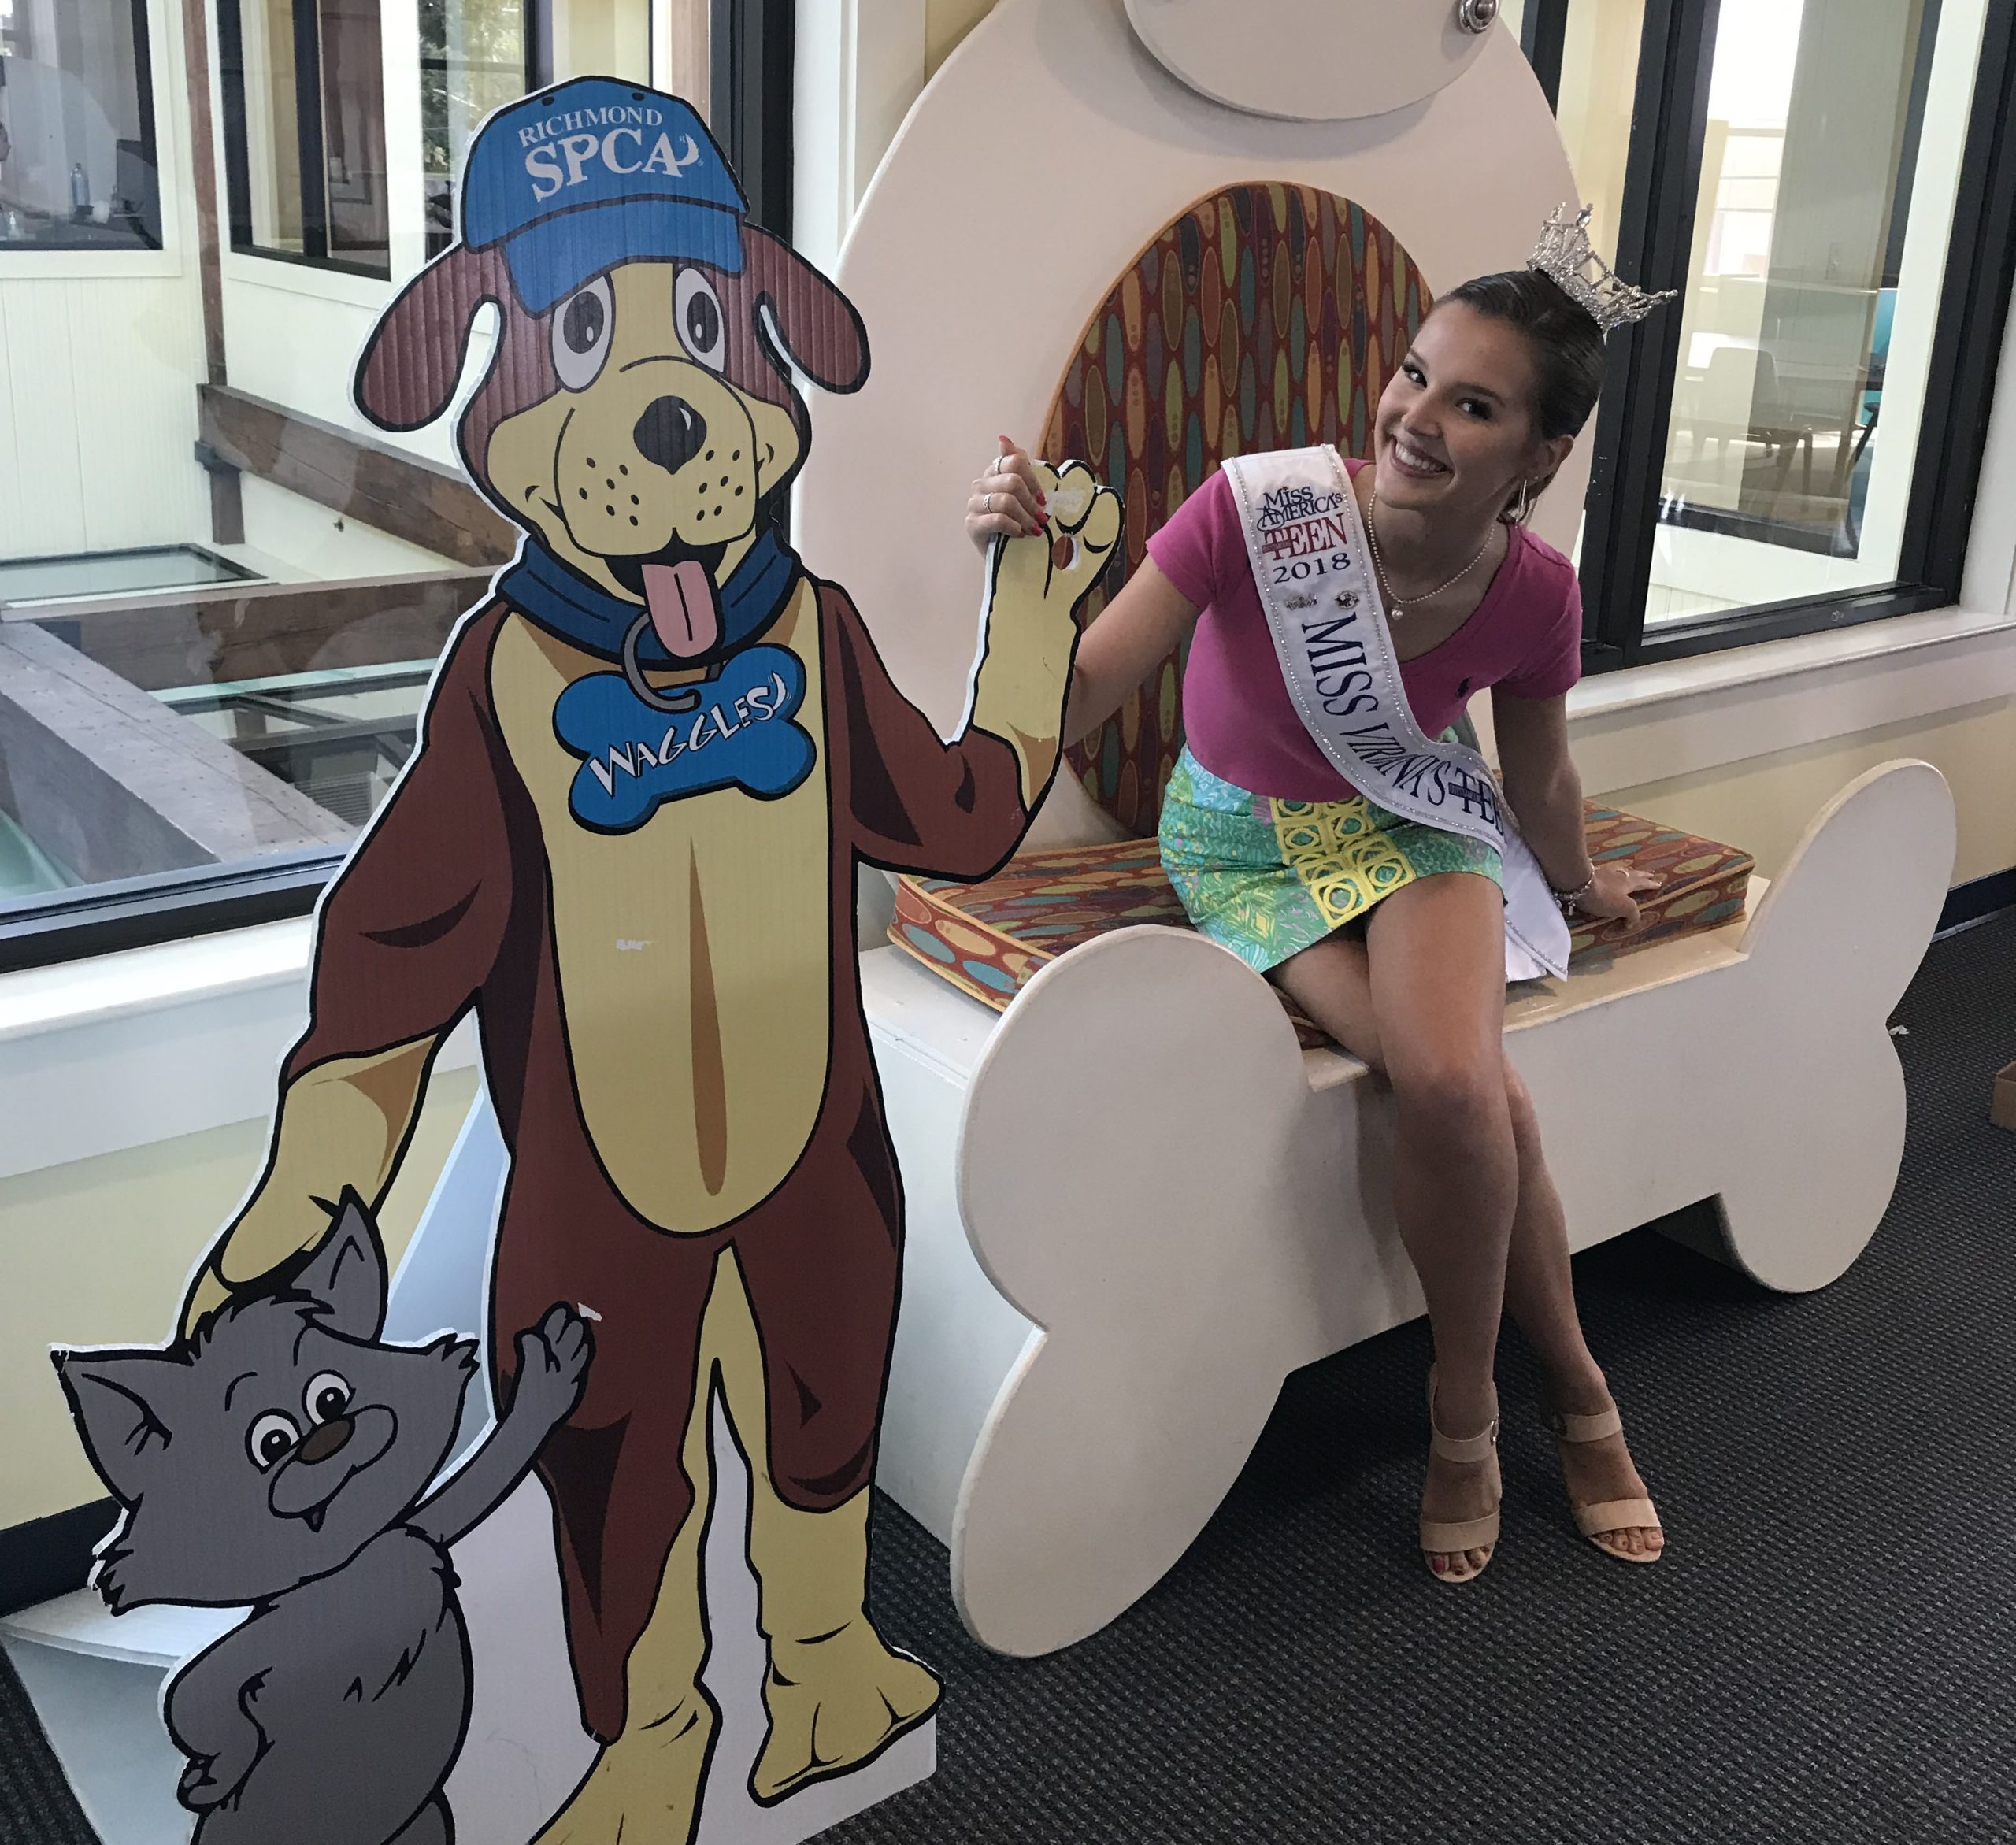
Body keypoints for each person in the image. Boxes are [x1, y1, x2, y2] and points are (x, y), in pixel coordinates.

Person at [967, 245, 1667, 1585]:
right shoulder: (1257, 511)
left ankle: (1465, 1407)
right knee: (1486, 1105)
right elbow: (1072, 704)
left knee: (1459, 1090)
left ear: (1544, 449)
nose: (1416, 415)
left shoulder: (1537, 594)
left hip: (1410, 825)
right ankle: (1571, 1389)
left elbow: (1539, 776)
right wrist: (1026, 579)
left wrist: (1581, 883)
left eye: (1474, 404)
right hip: (1240, 850)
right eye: (1417, 374)